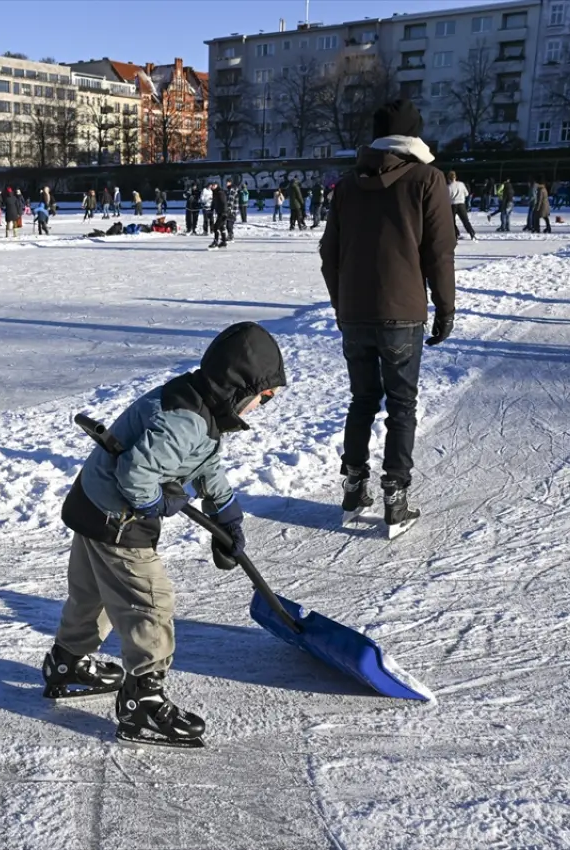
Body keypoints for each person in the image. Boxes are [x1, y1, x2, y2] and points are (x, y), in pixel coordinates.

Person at [47, 321, 286, 747]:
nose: (259, 408)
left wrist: (226, 513)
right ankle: (143, 701)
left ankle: (69, 663)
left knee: (94, 593)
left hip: (91, 502)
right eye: (261, 398)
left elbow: (205, 461)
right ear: (238, 388)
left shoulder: (195, 401)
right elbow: (135, 474)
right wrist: (158, 503)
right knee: (150, 603)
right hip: (117, 518)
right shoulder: (186, 421)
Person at [319, 99, 456, 537]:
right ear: (414, 136)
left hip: (355, 314)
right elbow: (439, 251)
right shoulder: (427, 179)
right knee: (401, 404)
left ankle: (354, 486)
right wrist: (445, 305)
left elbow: (329, 253)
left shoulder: (347, 186)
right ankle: (395, 493)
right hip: (402, 313)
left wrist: (342, 305)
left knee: (362, 400)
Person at [447, 170, 476, 240]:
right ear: (455, 177)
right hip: (461, 204)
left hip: (452, 205)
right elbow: (466, 193)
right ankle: (471, 233)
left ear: (448, 178)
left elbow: (447, 197)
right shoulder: (461, 184)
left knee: (452, 221)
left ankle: (456, 233)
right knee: (465, 220)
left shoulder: (448, 187)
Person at [209, 181, 229, 249]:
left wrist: (225, 212)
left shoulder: (220, 192)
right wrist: (211, 209)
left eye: (214, 185)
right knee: (221, 227)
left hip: (223, 213)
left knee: (215, 227)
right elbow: (214, 202)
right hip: (219, 212)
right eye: (212, 185)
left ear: (217, 185)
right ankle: (223, 242)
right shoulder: (214, 192)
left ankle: (216, 242)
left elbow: (224, 203)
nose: (212, 186)